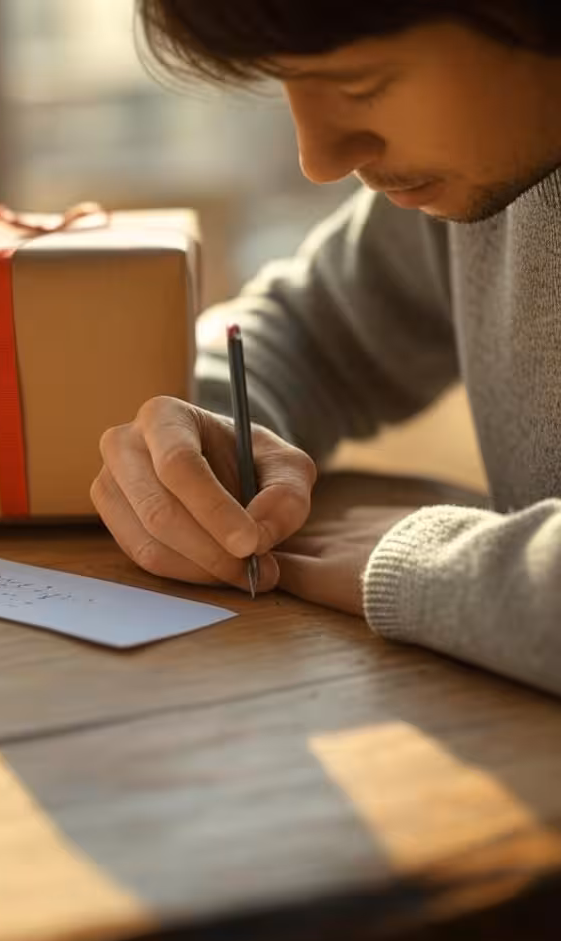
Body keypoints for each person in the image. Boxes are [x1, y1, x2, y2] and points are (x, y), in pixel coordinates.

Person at [91, 1, 561, 697]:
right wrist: (202, 427)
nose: (319, 160)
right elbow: (300, 331)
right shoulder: (496, 167)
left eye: (361, 86)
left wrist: (440, 569)